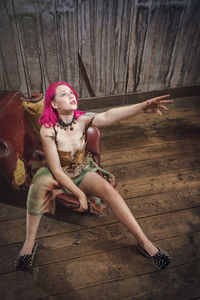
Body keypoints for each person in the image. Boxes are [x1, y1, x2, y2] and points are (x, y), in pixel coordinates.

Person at [15, 81, 173, 271]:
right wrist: (79, 194)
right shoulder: (48, 129)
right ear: (54, 104)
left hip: (81, 169)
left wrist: (142, 106)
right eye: (64, 94)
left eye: (71, 92)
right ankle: (28, 243)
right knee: (37, 187)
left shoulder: (82, 119)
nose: (71, 95)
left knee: (110, 192)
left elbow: (108, 115)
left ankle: (144, 242)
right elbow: (56, 170)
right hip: (58, 172)